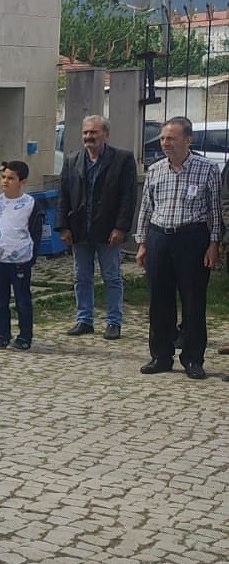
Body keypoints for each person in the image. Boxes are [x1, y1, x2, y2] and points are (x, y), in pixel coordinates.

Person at [136, 116, 222, 379]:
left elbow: (215, 211)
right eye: (163, 138)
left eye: (171, 138)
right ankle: (160, 355)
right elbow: (146, 209)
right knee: (159, 301)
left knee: (193, 301)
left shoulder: (207, 169)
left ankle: (193, 358)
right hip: (160, 237)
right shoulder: (156, 169)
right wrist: (142, 243)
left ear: (188, 139)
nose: (165, 143)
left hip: (192, 239)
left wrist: (214, 243)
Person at [57, 114, 137, 340]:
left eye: (93, 132)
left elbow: (128, 197)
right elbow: (63, 195)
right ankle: (84, 319)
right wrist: (62, 226)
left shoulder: (122, 159)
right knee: (81, 276)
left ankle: (114, 321)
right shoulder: (72, 160)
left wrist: (121, 228)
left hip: (108, 229)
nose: (89, 137)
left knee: (111, 277)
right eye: (85, 132)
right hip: (80, 229)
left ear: (106, 134)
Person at [0, 161, 44, 350]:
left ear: (22, 181)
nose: (5, 181)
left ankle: (24, 335)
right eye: (3, 177)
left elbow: (35, 231)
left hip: (20, 260)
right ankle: (2, 333)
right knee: (0, 299)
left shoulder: (30, 204)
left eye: (11, 178)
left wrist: (31, 256)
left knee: (22, 299)